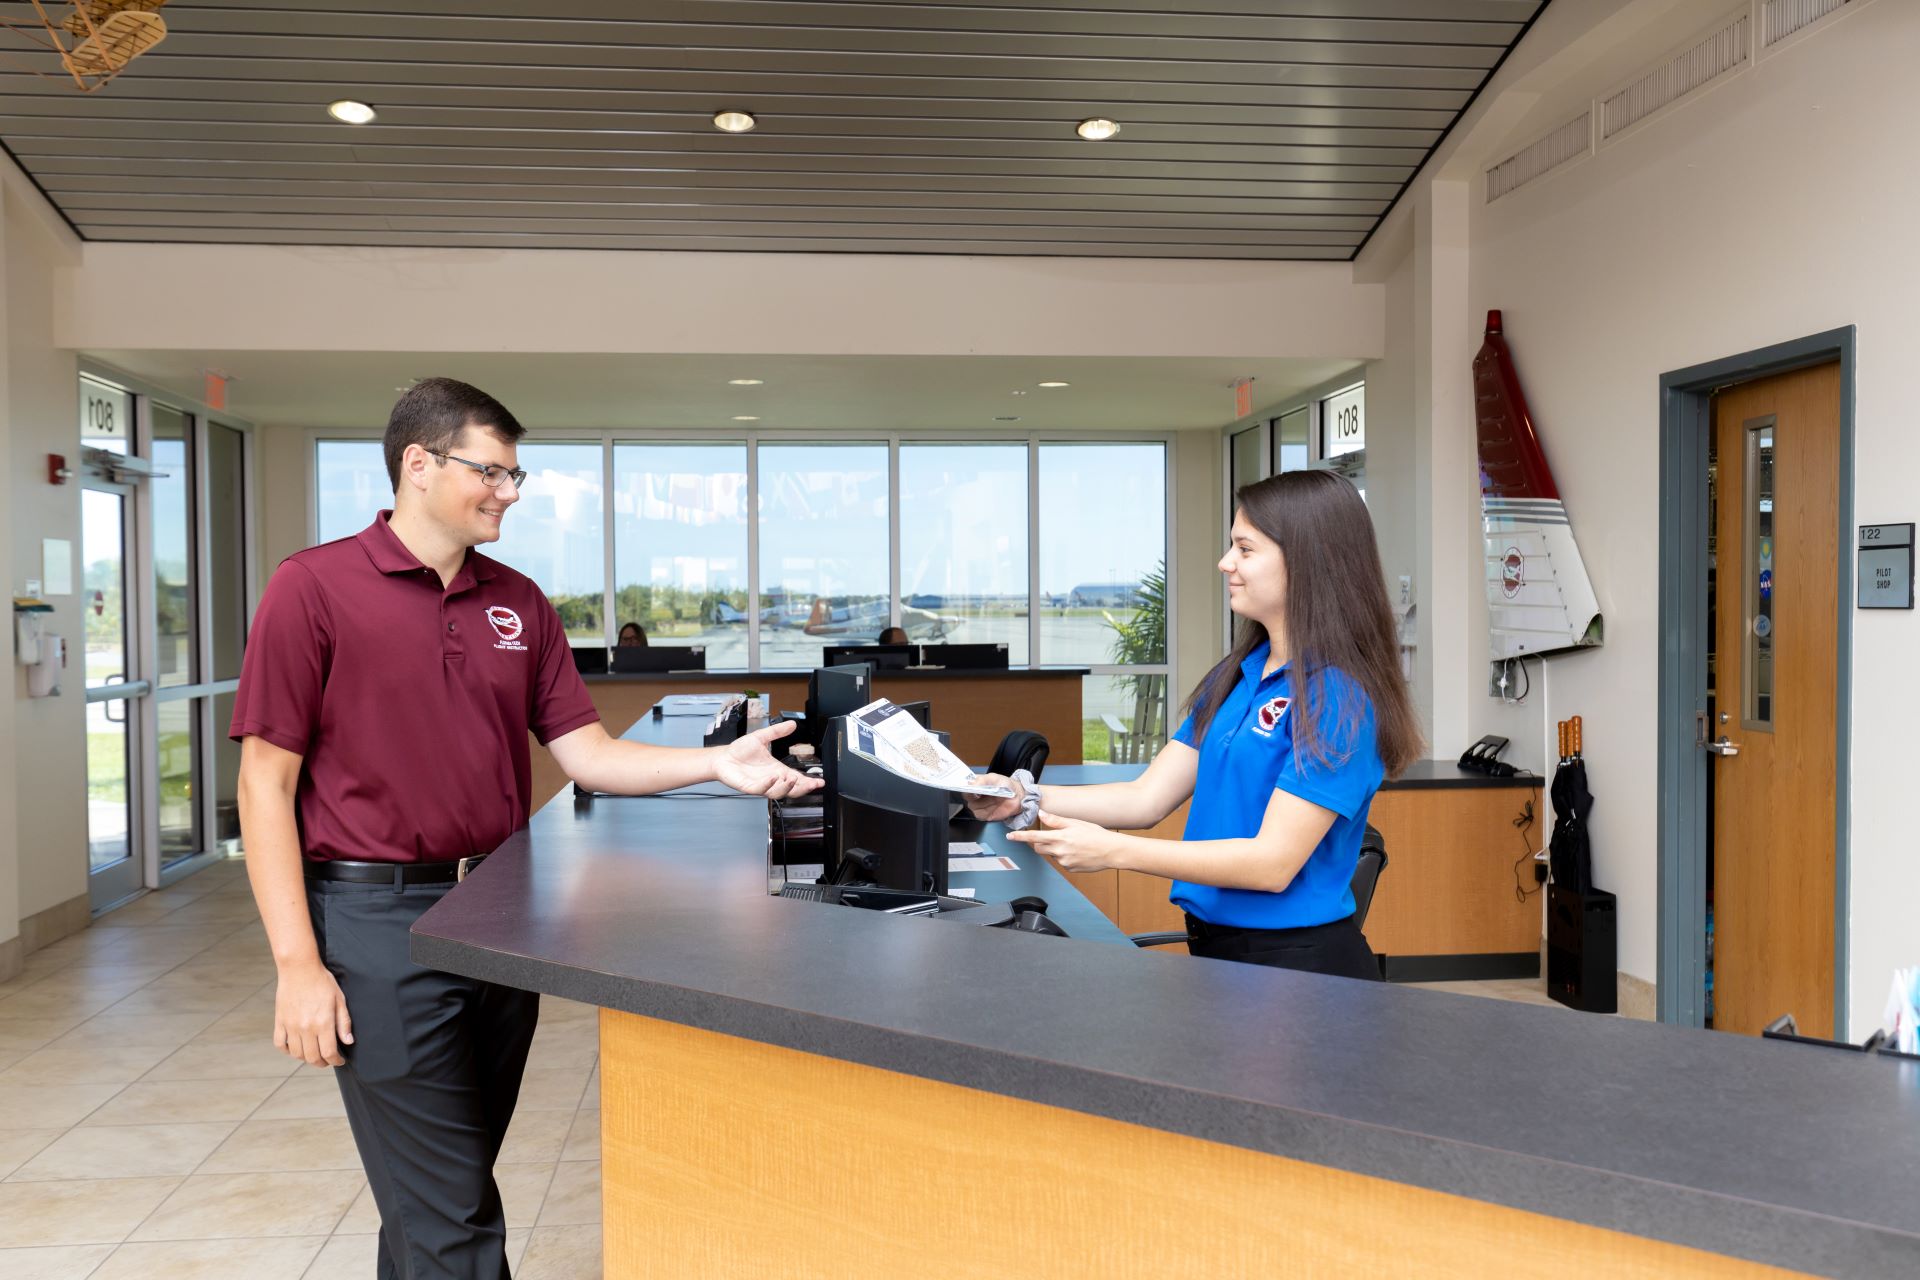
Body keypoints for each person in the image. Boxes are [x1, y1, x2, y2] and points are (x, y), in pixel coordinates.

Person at [231, 378, 819, 1279]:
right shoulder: (312, 588)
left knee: (438, 1195)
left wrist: (715, 764)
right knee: (455, 1220)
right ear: (418, 465)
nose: (510, 492)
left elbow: (587, 755)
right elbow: (264, 785)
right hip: (378, 927)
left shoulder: (519, 601)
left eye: (517, 475)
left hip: (501, 918)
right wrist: (297, 966)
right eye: (493, 472)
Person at [969, 470, 1421, 979]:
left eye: (1245, 549)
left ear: (1307, 561)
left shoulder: (1337, 698)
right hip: (1218, 952)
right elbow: (1145, 799)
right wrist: (1024, 796)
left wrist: (1112, 850)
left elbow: (1272, 863)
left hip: (1297, 967)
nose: (1226, 563)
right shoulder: (1239, 675)